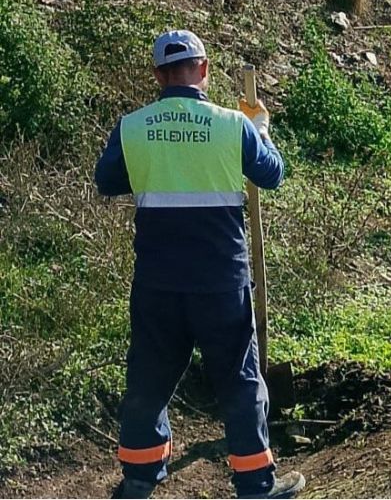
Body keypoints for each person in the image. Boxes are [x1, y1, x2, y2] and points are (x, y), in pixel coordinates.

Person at [94, 30, 304, 499]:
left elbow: (106, 182)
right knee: (238, 379)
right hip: (220, 283)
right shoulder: (233, 124)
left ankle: (140, 477)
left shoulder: (133, 126)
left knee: (148, 375)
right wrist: (261, 128)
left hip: (158, 282)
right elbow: (272, 174)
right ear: (204, 70)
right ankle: (254, 483)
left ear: (157, 75)